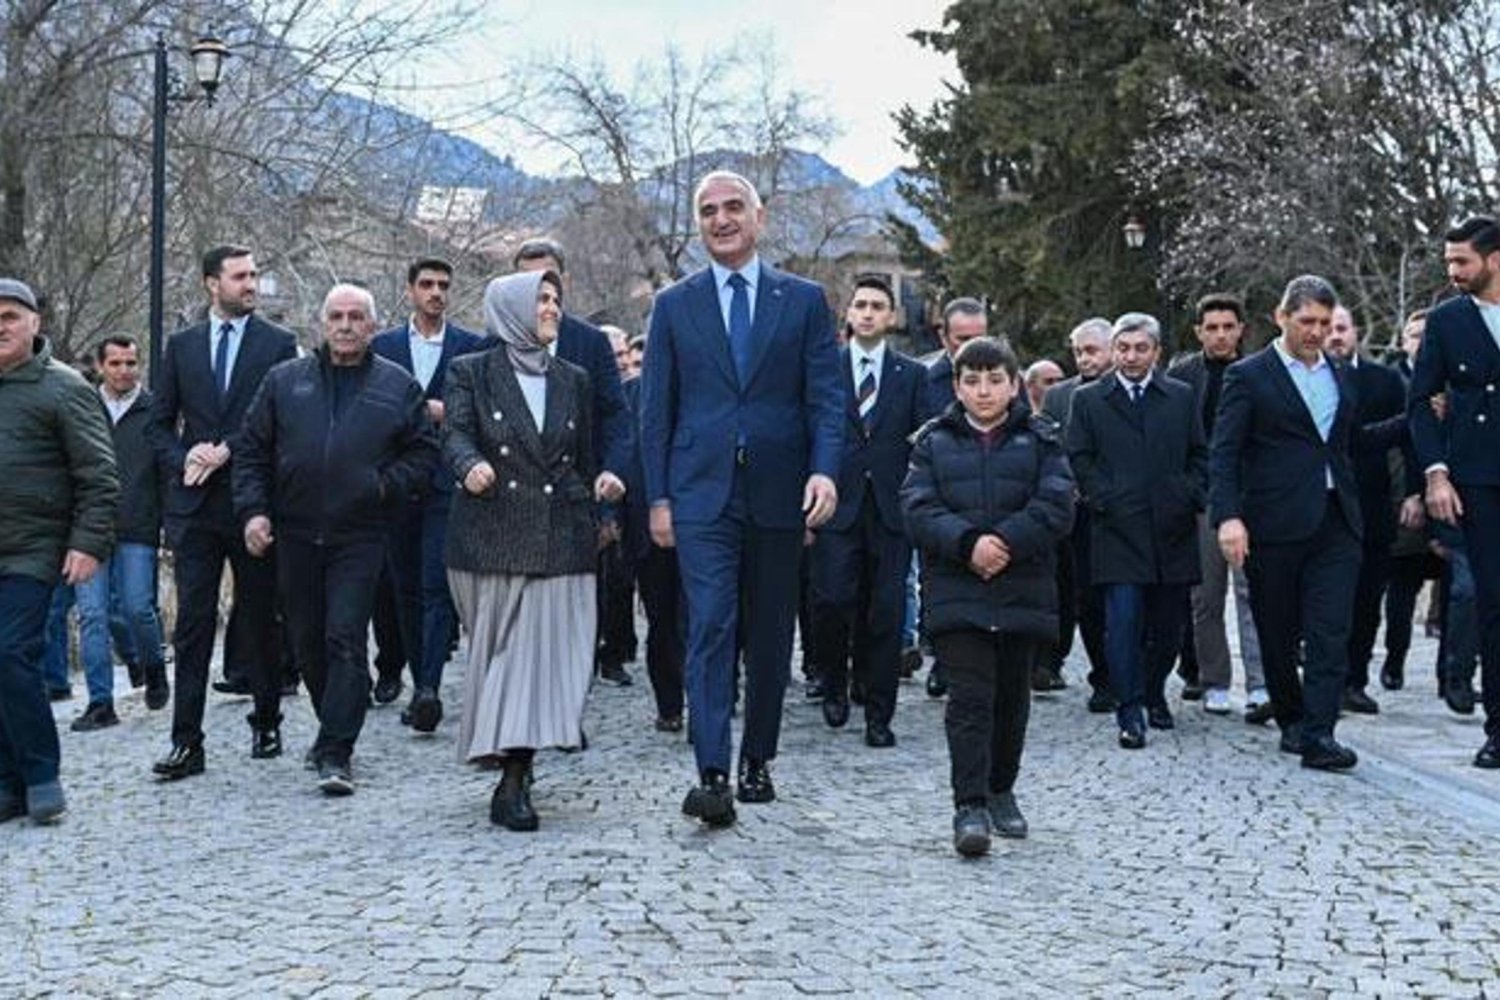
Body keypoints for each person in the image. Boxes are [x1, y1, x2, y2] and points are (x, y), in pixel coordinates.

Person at [639, 170, 842, 828]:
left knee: (770, 630)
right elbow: (655, 412)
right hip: (701, 496)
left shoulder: (804, 300)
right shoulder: (675, 305)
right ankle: (712, 769)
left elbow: (826, 399)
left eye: (732, 208)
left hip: (781, 493)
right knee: (711, 624)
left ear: (760, 216)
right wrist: (660, 499)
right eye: (707, 211)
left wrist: (825, 471)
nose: (720, 219)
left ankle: (758, 758)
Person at [235, 284, 438, 795]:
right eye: (336, 316)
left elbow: (423, 455)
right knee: (307, 643)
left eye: (356, 317)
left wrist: (383, 485)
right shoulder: (284, 382)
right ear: (322, 324)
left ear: (372, 326)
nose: (346, 325)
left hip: (362, 534)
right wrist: (254, 513)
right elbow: (252, 453)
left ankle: (335, 750)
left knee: (344, 635)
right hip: (295, 532)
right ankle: (335, 719)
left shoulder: (397, 386)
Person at [444, 270, 607, 830]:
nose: (552, 308)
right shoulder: (471, 372)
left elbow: (582, 457)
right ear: (510, 307)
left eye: (557, 299)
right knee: (502, 658)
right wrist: (471, 467)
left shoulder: (573, 378)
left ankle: (513, 778)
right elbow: (455, 434)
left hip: (561, 536)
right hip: (489, 537)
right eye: (541, 299)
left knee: (535, 662)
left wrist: (602, 497)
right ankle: (513, 758)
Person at [901, 337, 1073, 856]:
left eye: (995, 380)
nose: (984, 391)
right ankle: (969, 804)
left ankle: (1002, 788)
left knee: (1011, 698)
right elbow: (917, 506)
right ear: (957, 386)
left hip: (1022, 585)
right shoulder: (932, 441)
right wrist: (968, 542)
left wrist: (1009, 542)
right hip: (959, 589)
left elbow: (1058, 503)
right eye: (972, 381)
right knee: (971, 698)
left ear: (1014, 384)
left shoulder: (1042, 438)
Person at [149, 246, 298, 780]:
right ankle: (186, 740)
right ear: (212, 283)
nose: (251, 284)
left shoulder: (278, 345)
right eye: (240, 276)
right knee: (192, 623)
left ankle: (267, 718)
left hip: (252, 500)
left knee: (260, 614)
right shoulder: (182, 347)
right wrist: (185, 454)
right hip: (194, 506)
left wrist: (229, 449)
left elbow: (285, 420)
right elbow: (158, 425)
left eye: (255, 274)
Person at [1212, 275, 1373, 771]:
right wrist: (1229, 517)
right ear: (1281, 318)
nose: (1316, 331)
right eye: (1307, 321)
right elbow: (1225, 452)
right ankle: (1293, 719)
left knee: (1331, 629)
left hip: (1335, 521)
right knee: (1277, 630)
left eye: (1325, 322)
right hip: (1273, 522)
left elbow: (1349, 444)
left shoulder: (1341, 374)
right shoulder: (1250, 375)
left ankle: (1320, 733)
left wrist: (1414, 423)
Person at [0, 277, 119, 824]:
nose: (1, 325)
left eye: (10, 316)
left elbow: (99, 476)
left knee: (12, 653)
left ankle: (42, 774)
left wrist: (87, 543)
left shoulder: (65, 389)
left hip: (34, 548)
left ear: (34, 323)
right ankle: (8, 781)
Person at [1067, 313, 1205, 748]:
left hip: (1171, 529)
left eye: (1140, 349)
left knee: (1168, 628)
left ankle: (1153, 691)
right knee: (1123, 624)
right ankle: (1130, 710)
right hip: (1117, 530)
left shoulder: (1181, 397)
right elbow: (1079, 456)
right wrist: (1103, 497)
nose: (1130, 357)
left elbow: (1200, 454)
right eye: (1123, 348)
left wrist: (1186, 495)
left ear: (1156, 352)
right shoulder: (1090, 400)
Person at [809, 275, 927, 748]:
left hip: (891, 511)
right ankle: (834, 684)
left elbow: (924, 442)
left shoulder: (912, 376)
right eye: (861, 304)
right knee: (833, 600)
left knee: (886, 611)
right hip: (838, 505)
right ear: (848, 313)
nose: (869, 313)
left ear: (892, 316)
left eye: (879, 305)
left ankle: (880, 712)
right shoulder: (825, 370)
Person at [369, 258, 486, 731]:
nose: (436, 292)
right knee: (405, 588)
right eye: (427, 285)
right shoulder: (383, 348)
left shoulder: (469, 348)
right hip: (395, 482)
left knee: (437, 586)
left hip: (447, 481)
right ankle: (420, 678)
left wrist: (445, 412)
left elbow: (479, 411)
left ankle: (429, 688)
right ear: (411, 290)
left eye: (443, 285)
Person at [511, 239, 633, 686]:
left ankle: (563, 703)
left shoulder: (590, 343)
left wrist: (613, 478)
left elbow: (616, 417)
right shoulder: (490, 347)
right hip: (512, 502)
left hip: (577, 498)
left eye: (549, 281)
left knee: (573, 606)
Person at [1409, 216, 1500, 768]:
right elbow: (1420, 402)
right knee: (1494, 602)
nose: (1452, 272)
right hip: (1477, 480)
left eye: (1462, 261)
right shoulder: (1446, 322)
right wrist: (1436, 473)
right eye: (1448, 262)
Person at [1167, 294, 1269, 720]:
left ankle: (1262, 682)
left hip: (1252, 498)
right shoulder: (1183, 376)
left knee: (1254, 593)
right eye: (1212, 327)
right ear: (1198, 332)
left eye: (1229, 326)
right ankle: (1215, 680)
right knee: (1205, 596)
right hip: (1203, 499)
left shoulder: (1260, 372)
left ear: (1241, 328)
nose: (1221, 335)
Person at [71, 335, 169, 732]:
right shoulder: (81, 407)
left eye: (131, 363)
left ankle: (154, 667)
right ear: (100, 366)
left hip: (138, 525)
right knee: (92, 615)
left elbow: (166, 471)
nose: (125, 371)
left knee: (137, 609)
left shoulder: (154, 410)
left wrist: (167, 523)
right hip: (86, 529)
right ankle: (100, 702)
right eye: (116, 363)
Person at [1325, 305, 1410, 715]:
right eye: (1328, 329)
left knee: (1367, 599)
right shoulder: (1311, 380)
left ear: (1355, 331)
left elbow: (1410, 435)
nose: (1335, 336)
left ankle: (1354, 680)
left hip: (1374, 506)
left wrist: (1415, 491)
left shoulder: (1385, 380)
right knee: (1328, 600)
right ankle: (1325, 678)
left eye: (1341, 328)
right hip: (1324, 505)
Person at [1041, 317, 1115, 712]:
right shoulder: (1058, 397)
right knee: (1085, 598)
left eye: (1092, 351)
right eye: (1078, 352)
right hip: (1076, 514)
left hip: (1122, 510)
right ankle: (1102, 674)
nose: (1084, 359)